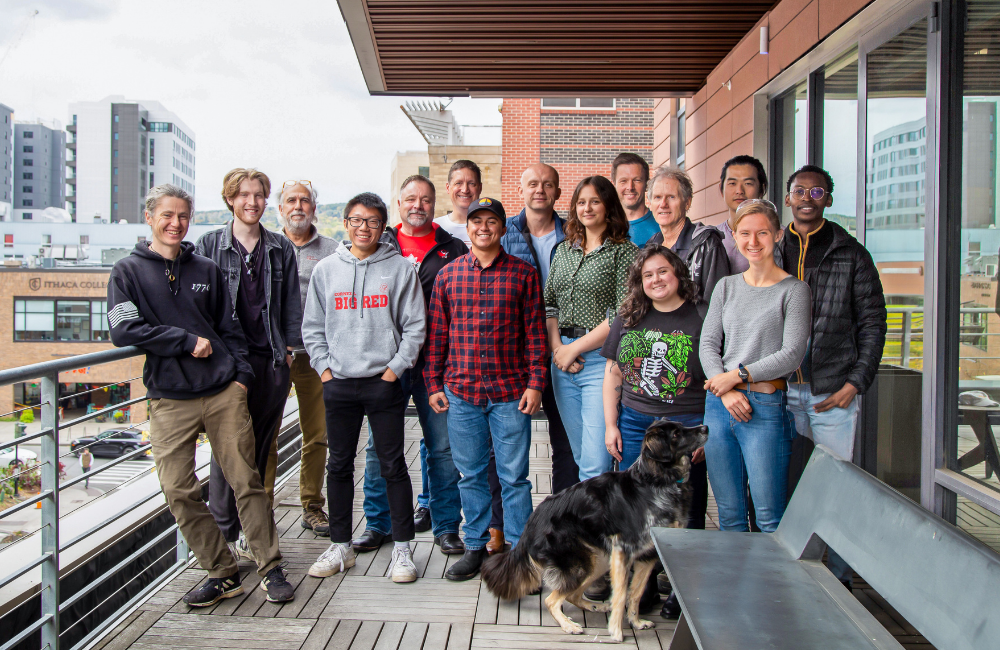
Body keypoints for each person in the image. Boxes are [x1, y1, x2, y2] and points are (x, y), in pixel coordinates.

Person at [108, 184, 293, 606]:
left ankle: (271, 566)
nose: (176, 224)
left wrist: (241, 376)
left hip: (222, 390)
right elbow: (123, 330)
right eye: (167, 216)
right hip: (169, 396)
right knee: (177, 488)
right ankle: (222, 570)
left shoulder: (206, 269)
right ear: (150, 217)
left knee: (246, 480)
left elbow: (230, 330)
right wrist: (183, 339)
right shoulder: (127, 272)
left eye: (183, 216)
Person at [302, 192, 425, 583]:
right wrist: (324, 369)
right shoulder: (326, 270)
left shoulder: (401, 269)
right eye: (356, 220)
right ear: (345, 223)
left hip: (382, 383)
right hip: (338, 383)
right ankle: (341, 546)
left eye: (372, 221)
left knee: (392, 466)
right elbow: (312, 327)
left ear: (383, 226)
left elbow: (415, 327)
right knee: (338, 466)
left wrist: (393, 370)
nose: (363, 228)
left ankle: (403, 549)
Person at [426, 197, 548, 581]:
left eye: (491, 221)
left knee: (514, 477)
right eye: (476, 221)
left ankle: (518, 553)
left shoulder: (524, 276)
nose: (483, 227)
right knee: (471, 474)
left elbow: (534, 338)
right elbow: (437, 337)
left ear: (501, 227)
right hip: (461, 393)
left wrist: (536, 384)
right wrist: (433, 383)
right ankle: (476, 546)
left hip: (510, 393)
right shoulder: (449, 276)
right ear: (469, 226)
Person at [781, 165, 887, 588]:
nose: (808, 197)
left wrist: (855, 382)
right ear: (788, 197)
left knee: (839, 488)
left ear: (829, 198)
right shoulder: (770, 248)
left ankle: (839, 579)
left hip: (832, 391)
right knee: (784, 486)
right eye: (799, 190)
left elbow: (874, 323)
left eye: (817, 191)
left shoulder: (851, 253)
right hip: (779, 391)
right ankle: (790, 574)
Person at [355, 175, 466, 557]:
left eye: (425, 199)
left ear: (434, 204)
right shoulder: (377, 244)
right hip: (386, 363)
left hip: (437, 362)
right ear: (398, 204)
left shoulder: (453, 248)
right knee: (378, 447)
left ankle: (447, 525)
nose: (417, 204)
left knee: (443, 447)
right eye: (410, 198)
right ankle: (378, 523)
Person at [196, 169, 302, 562]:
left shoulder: (278, 248)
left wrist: (289, 353)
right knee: (228, 451)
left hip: (271, 362)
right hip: (228, 366)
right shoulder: (208, 245)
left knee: (259, 449)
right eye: (243, 195)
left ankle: (246, 532)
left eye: (258, 195)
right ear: (230, 199)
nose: (251, 202)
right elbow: (200, 307)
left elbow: (291, 305)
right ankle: (224, 533)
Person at [699, 199, 811, 534]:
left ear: (777, 234)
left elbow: (792, 354)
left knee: (769, 518)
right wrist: (726, 391)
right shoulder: (726, 286)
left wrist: (736, 377)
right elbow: (707, 345)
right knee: (730, 517)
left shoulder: (794, 290)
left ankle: (771, 588)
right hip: (719, 408)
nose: (753, 241)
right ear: (734, 235)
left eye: (762, 232)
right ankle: (737, 588)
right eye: (745, 233)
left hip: (763, 408)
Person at [496, 163, 579, 553]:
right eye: (532, 183)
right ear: (521, 189)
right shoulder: (503, 231)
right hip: (518, 356)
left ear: (558, 192)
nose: (540, 190)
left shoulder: (574, 234)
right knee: (508, 447)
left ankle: (563, 524)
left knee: (566, 444)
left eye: (547, 184)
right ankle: (502, 531)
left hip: (566, 352)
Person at [545, 175, 638, 481]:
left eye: (595, 201)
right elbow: (549, 305)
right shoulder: (563, 251)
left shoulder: (624, 252)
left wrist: (574, 349)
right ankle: (590, 526)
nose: (587, 208)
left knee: (596, 464)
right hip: (562, 362)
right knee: (581, 456)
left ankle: (594, 529)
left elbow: (621, 313)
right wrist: (559, 349)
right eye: (581, 202)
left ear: (608, 206)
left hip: (600, 361)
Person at [268, 179, 339, 537]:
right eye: (291, 200)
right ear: (280, 208)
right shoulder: (266, 246)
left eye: (305, 200)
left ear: (314, 208)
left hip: (314, 356)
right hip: (272, 356)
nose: (298, 206)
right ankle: (262, 506)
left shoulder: (332, 250)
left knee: (317, 434)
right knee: (267, 434)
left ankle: (311, 505)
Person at [646, 167, 730, 304]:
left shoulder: (707, 244)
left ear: (687, 202)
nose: (663, 204)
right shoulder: (651, 245)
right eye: (657, 197)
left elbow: (717, 305)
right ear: (649, 203)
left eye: (671, 197)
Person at [717, 155, 769, 274]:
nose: (739, 190)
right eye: (732, 183)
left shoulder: (778, 236)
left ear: (762, 189)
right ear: (721, 189)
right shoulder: (712, 239)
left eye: (748, 183)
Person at [612, 153, 659, 245]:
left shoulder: (661, 226)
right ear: (613, 185)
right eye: (623, 181)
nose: (630, 187)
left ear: (647, 184)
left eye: (637, 180)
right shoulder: (604, 227)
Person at [433, 159, 482, 245]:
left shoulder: (491, 229)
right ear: (448, 188)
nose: (465, 190)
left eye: (471, 183)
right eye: (458, 183)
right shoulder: (434, 228)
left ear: (480, 188)